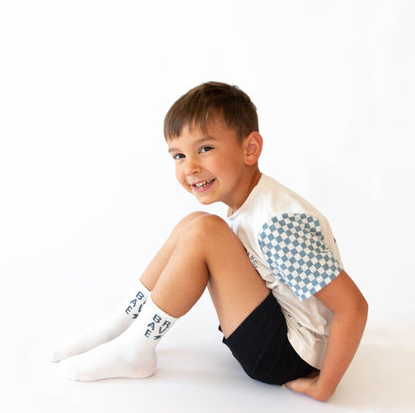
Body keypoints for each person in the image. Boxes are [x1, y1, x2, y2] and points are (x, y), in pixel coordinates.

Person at [48, 82, 368, 401]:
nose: (190, 167)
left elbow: (353, 307)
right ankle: (119, 326)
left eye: (205, 149)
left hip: (289, 356)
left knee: (206, 231)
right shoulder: (252, 203)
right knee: (195, 223)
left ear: (250, 149)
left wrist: (324, 387)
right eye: (179, 155)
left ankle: (135, 349)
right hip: (277, 330)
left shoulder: (278, 222)